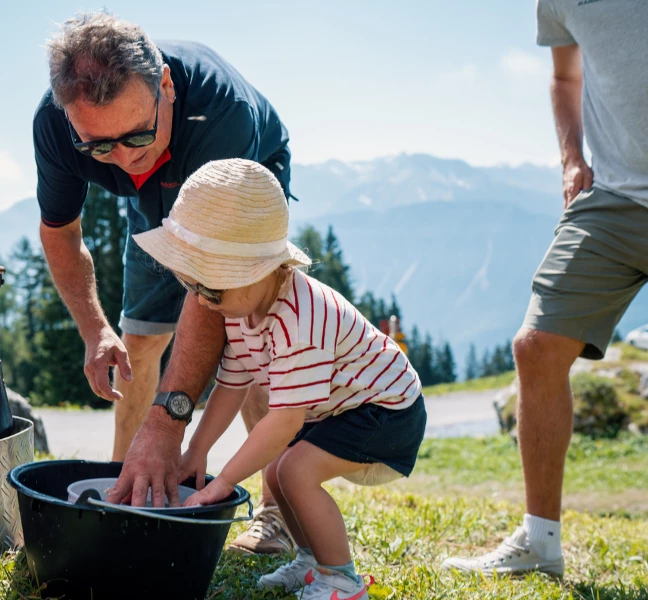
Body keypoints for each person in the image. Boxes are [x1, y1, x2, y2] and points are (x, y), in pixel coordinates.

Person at [34, 12, 295, 553]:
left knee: (249, 340)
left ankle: (276, 513)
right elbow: (60, 233)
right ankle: (121, 490)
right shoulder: (56, 125)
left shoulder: (221, 113)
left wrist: (169, 423)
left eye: (137, 134)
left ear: (167, 88)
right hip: (163, 193)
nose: (127, 161)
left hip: (239, 183)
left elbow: (208, 284)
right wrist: (93, 330)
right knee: (140, 340)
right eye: (99, 148)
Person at [131, 158, 427, 600]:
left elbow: (285, 422)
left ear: (259, 271)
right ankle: (310, 560)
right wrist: (197, 449)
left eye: (212, 290)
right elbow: (231, 386)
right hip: (339, 404)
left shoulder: (298, 319)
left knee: (294, 469)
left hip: (387, 409)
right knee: (275, 469)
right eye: (193, 288)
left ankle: (342, 580)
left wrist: (223, 482)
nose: (204, 303)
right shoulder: (238, 310)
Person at [442, 0, 648, 577]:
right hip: (611, 197)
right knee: (536, 347)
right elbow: (564, 75)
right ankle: (541, 543)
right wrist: (571, 158)